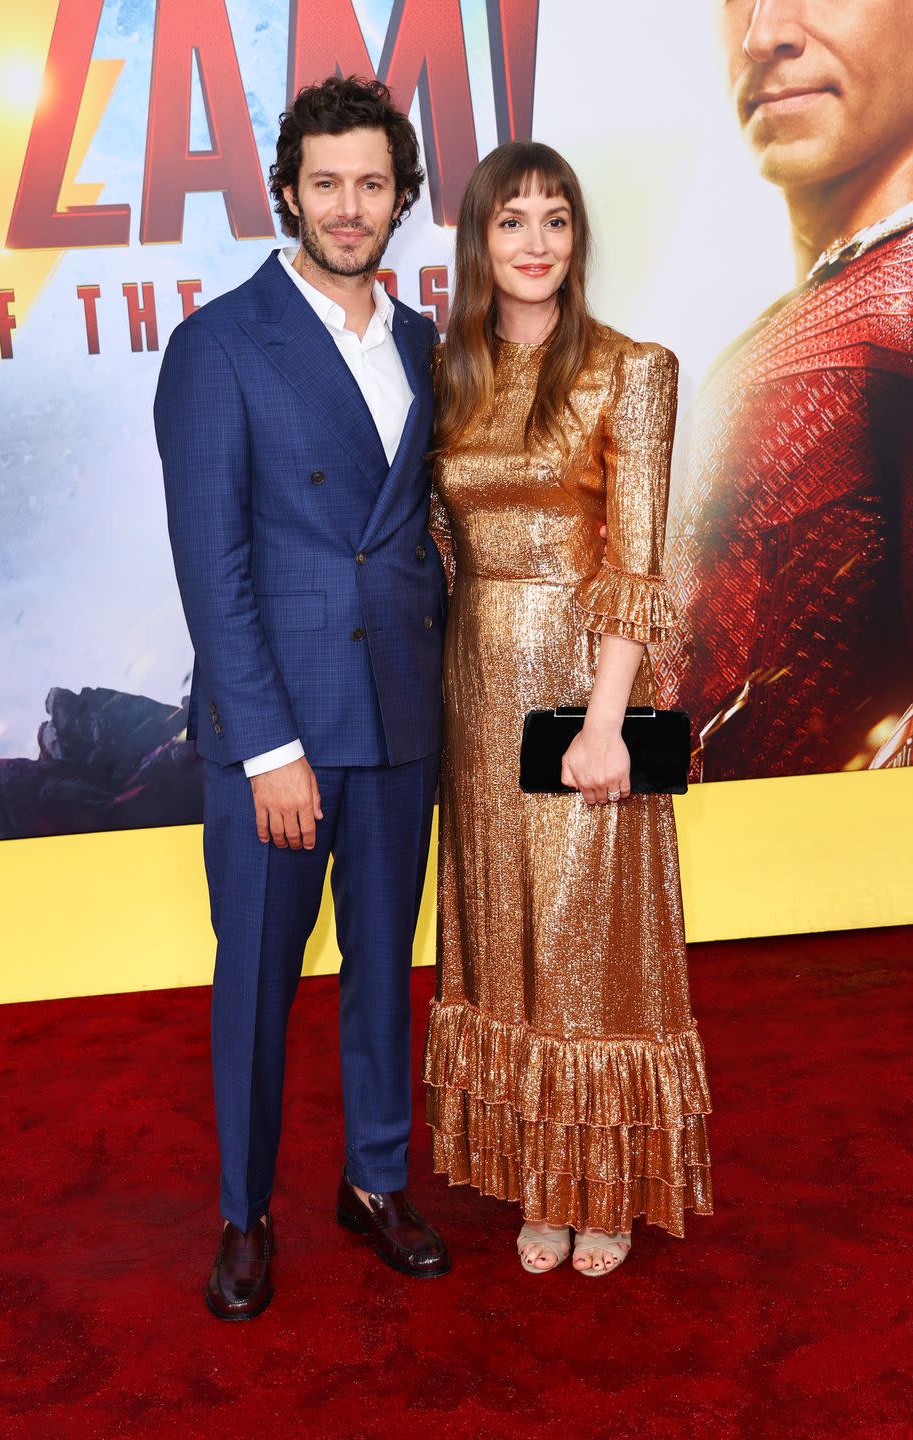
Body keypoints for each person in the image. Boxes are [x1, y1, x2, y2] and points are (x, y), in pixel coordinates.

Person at [154, 76, 451, 1321]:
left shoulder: (430, 342)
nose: (348, 205)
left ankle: (374, 1181)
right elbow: (210, 567)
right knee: (257, 982)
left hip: (399, 714)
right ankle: (244, 1212)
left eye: (371, 183)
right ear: (286, 191)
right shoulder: (219, 345)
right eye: (324, 182)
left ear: (400, 198)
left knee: (387, 968)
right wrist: (269, 745)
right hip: (277, 734)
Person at [423, 141, 712, 1276]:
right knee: (505, 939)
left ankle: (603, 1190)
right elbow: (442, 545)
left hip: (580, 690)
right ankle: (541, 1180)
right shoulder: (450, 370)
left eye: (555, 220)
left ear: (576, 242)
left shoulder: (631, 369)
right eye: (512, 221)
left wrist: (605, 722)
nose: (535, 242)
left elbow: (636, 560)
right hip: (473, 691)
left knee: (589, 940)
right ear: (479, 241)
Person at [658, 0, 913, 780]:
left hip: (832, 886)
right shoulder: (834, 305)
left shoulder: (895, 310)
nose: (764, 35)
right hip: (721, 875)